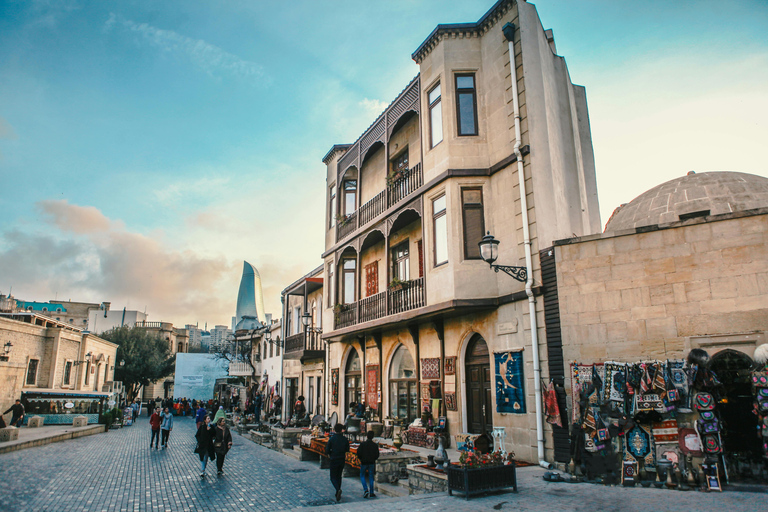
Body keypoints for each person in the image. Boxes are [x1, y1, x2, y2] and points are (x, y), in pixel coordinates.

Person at [325, 423, 350, 502]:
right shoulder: (344, 439)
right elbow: (347, 449)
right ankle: (337, 492)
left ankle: (338, 489)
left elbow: (327, 450)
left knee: (333, 477)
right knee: (339, 476)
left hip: (334, 459)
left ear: (335, 430)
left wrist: (329, 454)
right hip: (341, 459)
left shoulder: (332, 439)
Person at [357, 430, 380, 498]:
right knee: (371, 477)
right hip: (371, 462)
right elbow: (377, 455)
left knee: (362, 475)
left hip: (364, 462)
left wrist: (361, 459)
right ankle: (372, 492)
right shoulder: (374, 445)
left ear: (367, 436)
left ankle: (365, 489)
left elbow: (359, 453)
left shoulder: (363, 444)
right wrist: (373, 459)